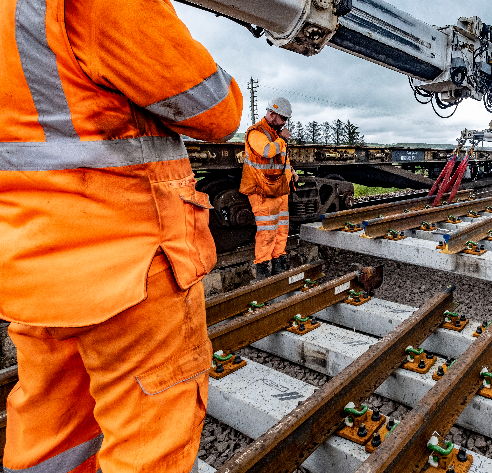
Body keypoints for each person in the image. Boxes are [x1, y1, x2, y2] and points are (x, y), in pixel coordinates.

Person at [0, 0, 242, 471]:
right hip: (130, 267)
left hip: (33, 265)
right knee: (151, 441)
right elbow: (217, 111)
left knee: (51, 437)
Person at [240, 97, 299, 280]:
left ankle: (279, 263)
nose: (284, 123)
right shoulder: (256, 132)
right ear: (272, 114)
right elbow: (267, 152)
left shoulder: (275, 133)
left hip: (278, 189)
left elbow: (281, 160)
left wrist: (292, 173)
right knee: (266, 231)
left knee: (281, 229)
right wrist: (282, 139)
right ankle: (263, 269)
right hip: (262, 190)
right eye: (283, 118)